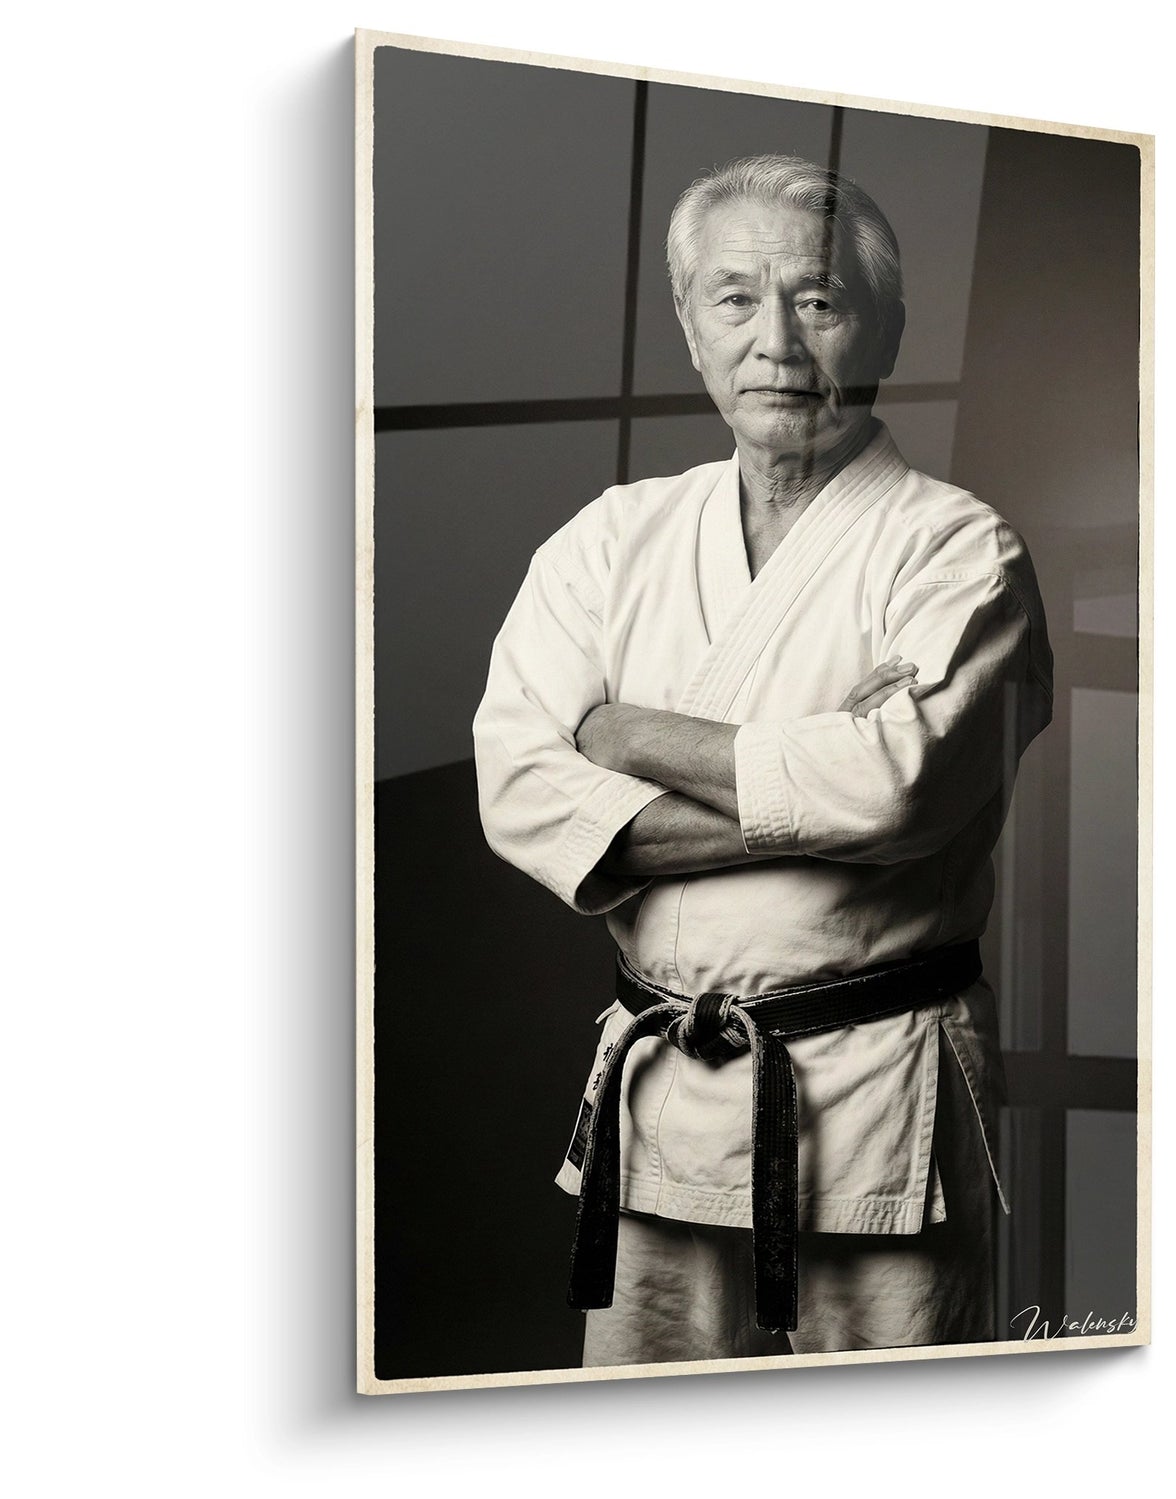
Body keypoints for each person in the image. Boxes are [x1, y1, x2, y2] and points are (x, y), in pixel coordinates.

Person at [472, 153, 1052, 1366]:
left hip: (876, 1085)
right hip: (666, 1087)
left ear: (882, 326)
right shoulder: (610, 541)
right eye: (735, 298)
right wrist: (816, 777)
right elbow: (520, 790)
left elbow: (895, 784)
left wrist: (625, 734)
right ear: (692, 329)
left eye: (819, 299)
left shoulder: (958, 550)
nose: (776, 341)